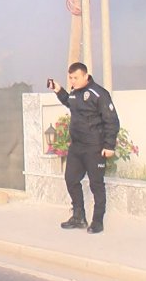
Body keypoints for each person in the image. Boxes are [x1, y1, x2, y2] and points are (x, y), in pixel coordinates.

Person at [48, 62, 120, 234]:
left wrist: (109, 145)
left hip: (94, 147)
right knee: (71, 180)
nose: (72, 81)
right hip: (77, 147)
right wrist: (58, 90)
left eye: (76, 78)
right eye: (70, 78)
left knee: (96, 185)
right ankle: (79, 216)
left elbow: (112, 120)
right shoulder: (74, 93)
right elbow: (69, 102)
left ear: (86, 76)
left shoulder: (99, 94)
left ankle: (97, 221)